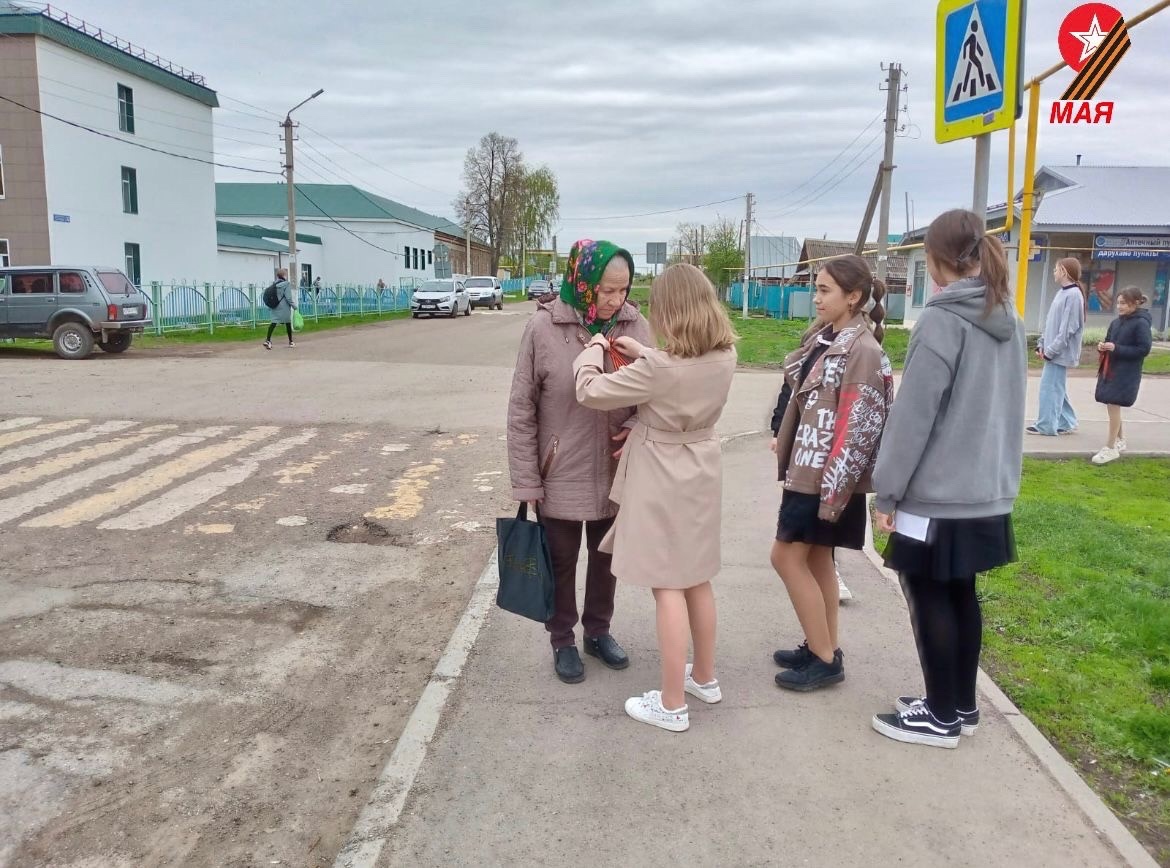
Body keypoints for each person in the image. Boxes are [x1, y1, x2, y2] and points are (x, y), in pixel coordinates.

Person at [870, 209, 1026, 749]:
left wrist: (886, 490)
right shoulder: (1005, 313)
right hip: (987, 488)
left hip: (935, 493)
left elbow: (914, 417)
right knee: (960, 591)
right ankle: (959, 704)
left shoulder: (941, 319)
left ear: (935, 260)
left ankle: (939, 717)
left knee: (926, 590)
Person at [573, 263, 738, 732]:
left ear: (669, 311)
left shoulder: (658, 368)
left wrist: (592, 351)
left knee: (666, 585)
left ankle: (670, 704)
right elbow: (681, 373)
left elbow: (590, 391)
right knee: (697, 578)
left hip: (662, 473)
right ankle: (703, 677)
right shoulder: (724, 356)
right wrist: (644, 351)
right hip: (702, 469)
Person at [507, 239, 652, 684]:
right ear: (582, 282)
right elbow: (521, 409)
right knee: (562, 559)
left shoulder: (635, 325)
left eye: (623, 289)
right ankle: (562, 638)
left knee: (607, 559)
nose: (614, 300)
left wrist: (637, 428)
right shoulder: (544, 328)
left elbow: (656, 389)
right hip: (560, 470)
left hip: (615, 470)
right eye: (605, 290)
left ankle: (598, 631)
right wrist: (527, 481)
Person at [770, 255, 892, 691]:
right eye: (816, 288)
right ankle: (824, 644)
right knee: (819, 557)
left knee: (784, 557)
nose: (815, 297)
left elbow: (858, 428)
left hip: (825, 478)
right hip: (809, 468)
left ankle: (825, 660)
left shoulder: (863, 350)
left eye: (825, 290)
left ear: (853, 297)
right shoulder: (825, 337)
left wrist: (834, 494)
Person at [769, 407, 853, 603]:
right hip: (820, 457)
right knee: (819, 556)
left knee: (786, 558)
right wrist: (778, 428)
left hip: (814, 461)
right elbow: (791, 389)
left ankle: (819, 636)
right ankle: (825, 635)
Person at [1091, 286, 1153, 465]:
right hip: (1111, 369)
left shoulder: (1141, 323)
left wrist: (1117, 349)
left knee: (1114, 405)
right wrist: (1103, 346)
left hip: (1126, 373)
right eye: (1118, 303)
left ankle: (1110, 447)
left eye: (1124, 303)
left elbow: (1143, 349)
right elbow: (1110, 340)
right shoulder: (1116, 322)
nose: (1119, 306)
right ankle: (1120, 439)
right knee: (1112, 405)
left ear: (1135, 303)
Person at [1028, 258, 1085, 436]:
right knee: (1056, 386)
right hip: (1053, 351)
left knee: (1050, 388)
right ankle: (1067, 421)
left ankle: (1046, 425)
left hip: (1059, 353)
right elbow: (1051, 322)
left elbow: (1068, 329)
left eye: (1056, 269)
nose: (1054, 272)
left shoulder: (1074, 295)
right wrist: (1042, 343)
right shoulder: (1062, 293)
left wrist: (1051, 351)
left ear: (1064, 272)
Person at [263, 268, 297, 350]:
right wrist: (294, 306)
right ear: (284, 275)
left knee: (273, 323)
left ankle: (268, 340)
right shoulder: (286, 284)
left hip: (274, 306)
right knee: (288, 323)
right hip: (284, 307)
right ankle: (291, 341)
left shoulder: (274, 284)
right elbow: (288, 298)